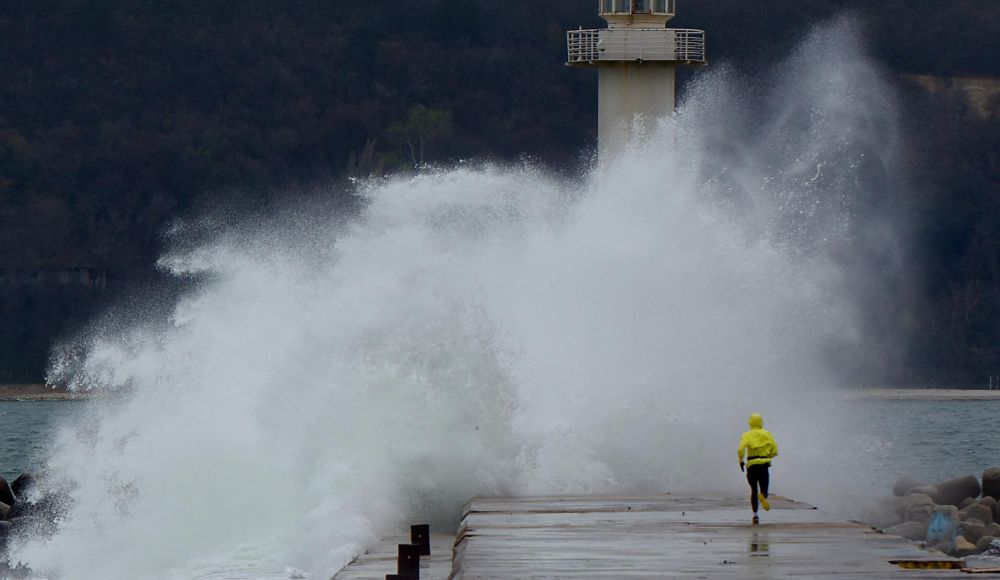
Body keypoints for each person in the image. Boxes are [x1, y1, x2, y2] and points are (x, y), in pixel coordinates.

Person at [737, 413, 778, 524]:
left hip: (751, 465)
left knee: (753, 490)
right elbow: (775, 451)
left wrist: (741, 461)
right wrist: (767, 457)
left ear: (750, 423)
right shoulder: (767, 434)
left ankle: (755, 514)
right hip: (763, 465)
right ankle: (763, 496)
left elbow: (740, 450)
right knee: (764, 488)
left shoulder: (747, 435)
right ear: (761, 422)